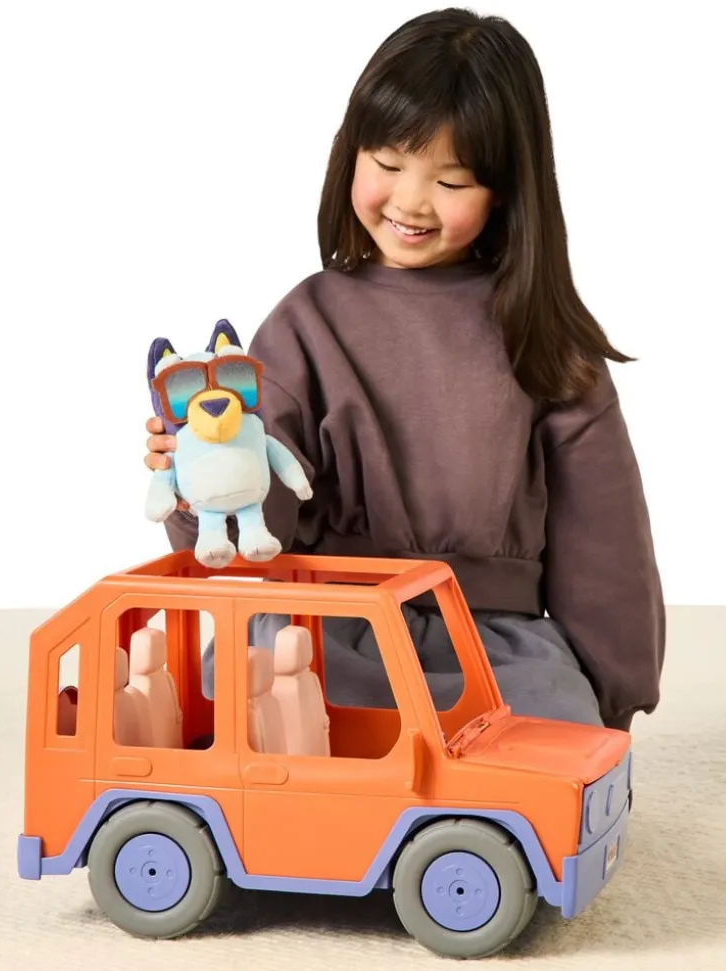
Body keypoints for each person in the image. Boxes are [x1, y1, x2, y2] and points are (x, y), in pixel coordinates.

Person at [144, 8, 664, 732]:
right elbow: (258, 526)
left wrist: (611, 697)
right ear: (351, 154)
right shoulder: (306, 322)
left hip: (490, 648)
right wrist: (198, 481)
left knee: (548, 741)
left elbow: (606, 542)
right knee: (241, 703)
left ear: (506, 192)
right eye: (388, 165)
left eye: (451, 181)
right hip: (324, 631)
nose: (411, 201)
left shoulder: (547, 339)